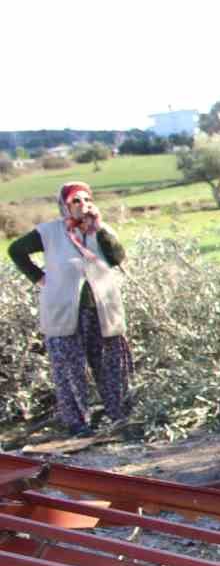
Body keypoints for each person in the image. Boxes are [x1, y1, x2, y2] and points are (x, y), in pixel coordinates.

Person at [8, 181, 134, 436]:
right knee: (69, 369)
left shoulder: (100, 230)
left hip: (101, 309)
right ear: (65, 205)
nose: (83, 205)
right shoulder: (49, 232)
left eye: (87, 199)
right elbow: (16, 250)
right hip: (64, 310)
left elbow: (118, 258)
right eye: (76, 201)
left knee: (110, 364)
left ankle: (117, 416)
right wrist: (39, 278)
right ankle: (78, 423)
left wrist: (99, 229)